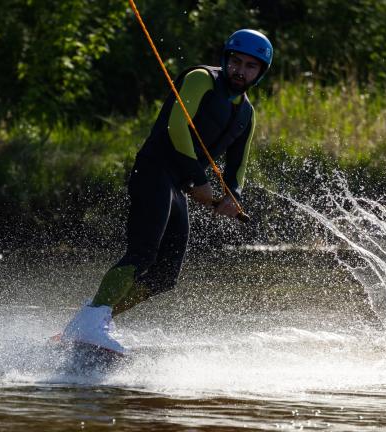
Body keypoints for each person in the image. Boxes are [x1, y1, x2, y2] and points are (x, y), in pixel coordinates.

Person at [59, 29, 273, 354]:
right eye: (236, 62)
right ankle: (91, 322)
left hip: (177, 186)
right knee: (143, 251)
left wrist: (234, 196)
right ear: (225, 59)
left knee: (165, 274)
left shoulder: (247, 113)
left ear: (260, 73)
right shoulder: (201, 79)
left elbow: (236, 167)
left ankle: (91, 320)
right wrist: (199, 179)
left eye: (250, 67)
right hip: (153, 170)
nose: (240, 71)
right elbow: (176, 127)